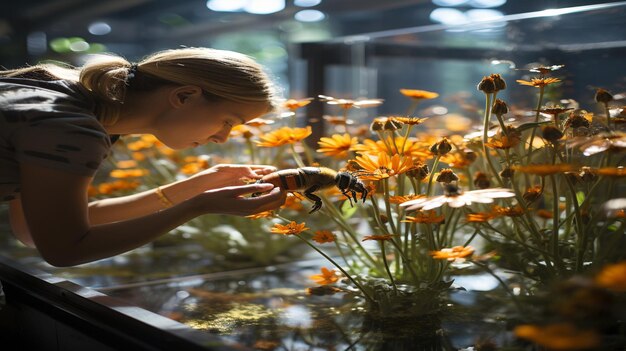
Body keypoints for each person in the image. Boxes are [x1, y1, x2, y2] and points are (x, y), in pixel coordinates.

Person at [0, 47, 287, 267]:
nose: (222, 138)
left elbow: (32, 231)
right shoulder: (71, 128)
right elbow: (65, 249)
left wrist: (194, 188)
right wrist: (196, 207)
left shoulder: (62, 94)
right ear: (185, 96)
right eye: (228, 121)